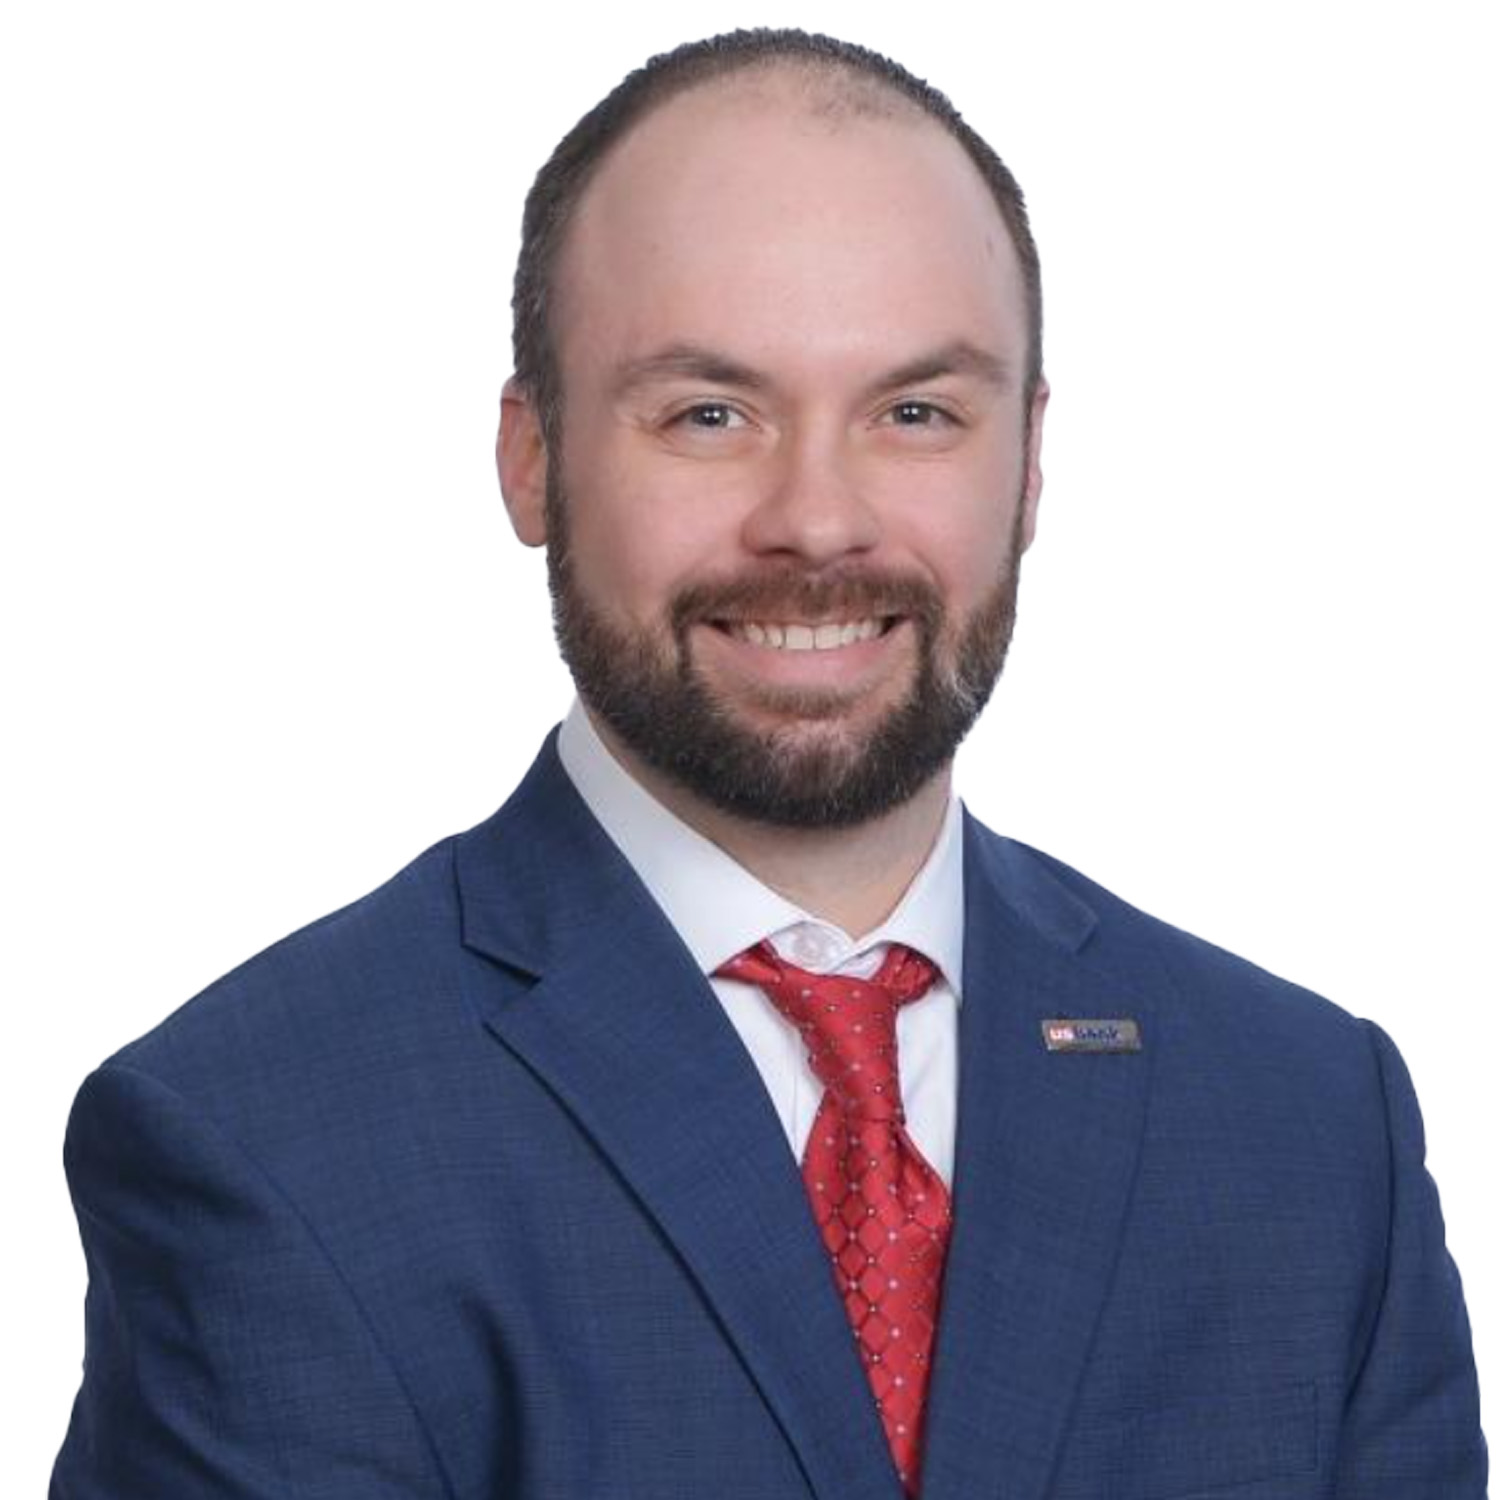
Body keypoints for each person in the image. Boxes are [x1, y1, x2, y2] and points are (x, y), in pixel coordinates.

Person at [51, 27, 1486, 1500]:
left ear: (1029, 462)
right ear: (533, 458)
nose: (816, 522)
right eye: (710, 415)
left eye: (915, 413)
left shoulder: (1314, 1129)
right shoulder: (262, 1141)